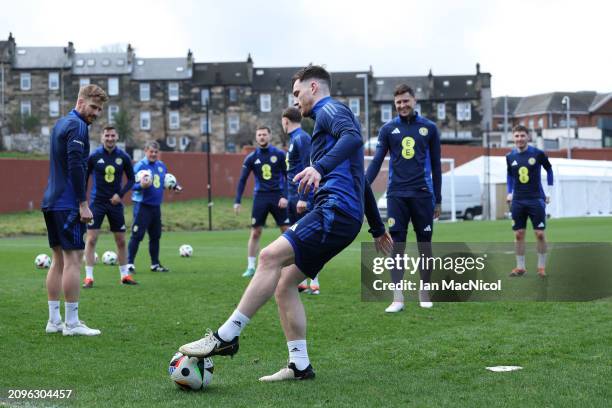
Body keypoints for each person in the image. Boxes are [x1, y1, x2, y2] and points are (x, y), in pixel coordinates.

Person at [179, 65, 393, 382]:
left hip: (334, 211)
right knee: (284, 284)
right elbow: (360, 179)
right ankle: (300, 366)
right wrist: (376, 228)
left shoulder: (329, 110)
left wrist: (318, 167)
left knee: (268, 257)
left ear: (314, 88)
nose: (296, 101)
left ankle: (226, 336)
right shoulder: (327, 122)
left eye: (297, 93)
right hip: (342, 215)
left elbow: (353, 137)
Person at [365, 83, 441, 312]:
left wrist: (438, 199)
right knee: (397, 245)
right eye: (398, 102)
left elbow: (437, 167)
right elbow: (377, 160)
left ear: (414, 100)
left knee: (425, 245)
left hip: (423, 195)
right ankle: (397, 298)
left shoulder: (429, 128)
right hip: (396, 195)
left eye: (406, 101)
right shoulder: (388, 129)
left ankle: (424, 291)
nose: (402, 105)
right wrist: (363, 185)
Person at [41, 84, 108, 336]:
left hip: (51, 201)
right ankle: (71, 323)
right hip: (67, 203)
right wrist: (83, 203)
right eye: (93, 107)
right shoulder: (78, 126)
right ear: (80, 102)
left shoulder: (60, 123)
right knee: (73, 261)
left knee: (58, 260)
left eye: (99, 109)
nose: (96, 113)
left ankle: (54, 321)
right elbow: (76, 167)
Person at [82, 126, 136, 288]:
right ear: (102, 137)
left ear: (117, 137)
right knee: (91, 239)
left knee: (120, 240)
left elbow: (132, 179)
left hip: (115, 204)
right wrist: (82, 201)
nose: (110, 138)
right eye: (107, 135)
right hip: (97, 203)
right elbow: (84, 179)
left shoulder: (123, 157)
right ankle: (89, 277)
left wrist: (120, 195)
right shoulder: (94, 156)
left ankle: (125, 275)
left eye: (113, 135)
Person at [233, 126, 290, 278]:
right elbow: (242, 180)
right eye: (259, 135)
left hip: (278, 196)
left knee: (286, 230)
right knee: (256, 232)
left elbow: (288, 176)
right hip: (260, 197)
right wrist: (237, 201)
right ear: (256, 138)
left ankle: (289, 265)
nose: (262, 137)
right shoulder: (251, 157)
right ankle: (251, 266)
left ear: (269, 136)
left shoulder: (279, 154)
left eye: (264, 134)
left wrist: (285, 196)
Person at [506, 125, 553, 277]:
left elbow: (549, 170)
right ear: (513, 138)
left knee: (539, 234)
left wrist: (549, 192)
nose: (519, 139)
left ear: (528, 137)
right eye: (517, 136)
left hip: (536, 199)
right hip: (518, 200)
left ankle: (541, 267)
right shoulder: (510, 156)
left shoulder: (538, 154)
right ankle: (520, 267)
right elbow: (510, 176)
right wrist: (509, 192)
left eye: (522, 136)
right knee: (519, 234)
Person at [127, 141, 180, 273]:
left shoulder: (161, 166)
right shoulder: (140, 166)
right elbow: (130, 185)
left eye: (156, 152)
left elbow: (167, 180)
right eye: (151, 151)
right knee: (136, 235)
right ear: (146, 151)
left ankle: (155, 264)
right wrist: (141, 186)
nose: (154, 154)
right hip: (142, 206)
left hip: (155, 207)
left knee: (155, 236)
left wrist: (175, 186)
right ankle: (129, 264)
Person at [281, 107, 319, 294]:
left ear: (285, 121)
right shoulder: (294, 139)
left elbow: (307, 167)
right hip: (293, 197)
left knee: (307, 239)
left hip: (301, 198)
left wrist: (303, 197)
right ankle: (301, 281)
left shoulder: (302, 138)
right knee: (298, 240)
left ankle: (315, 281)